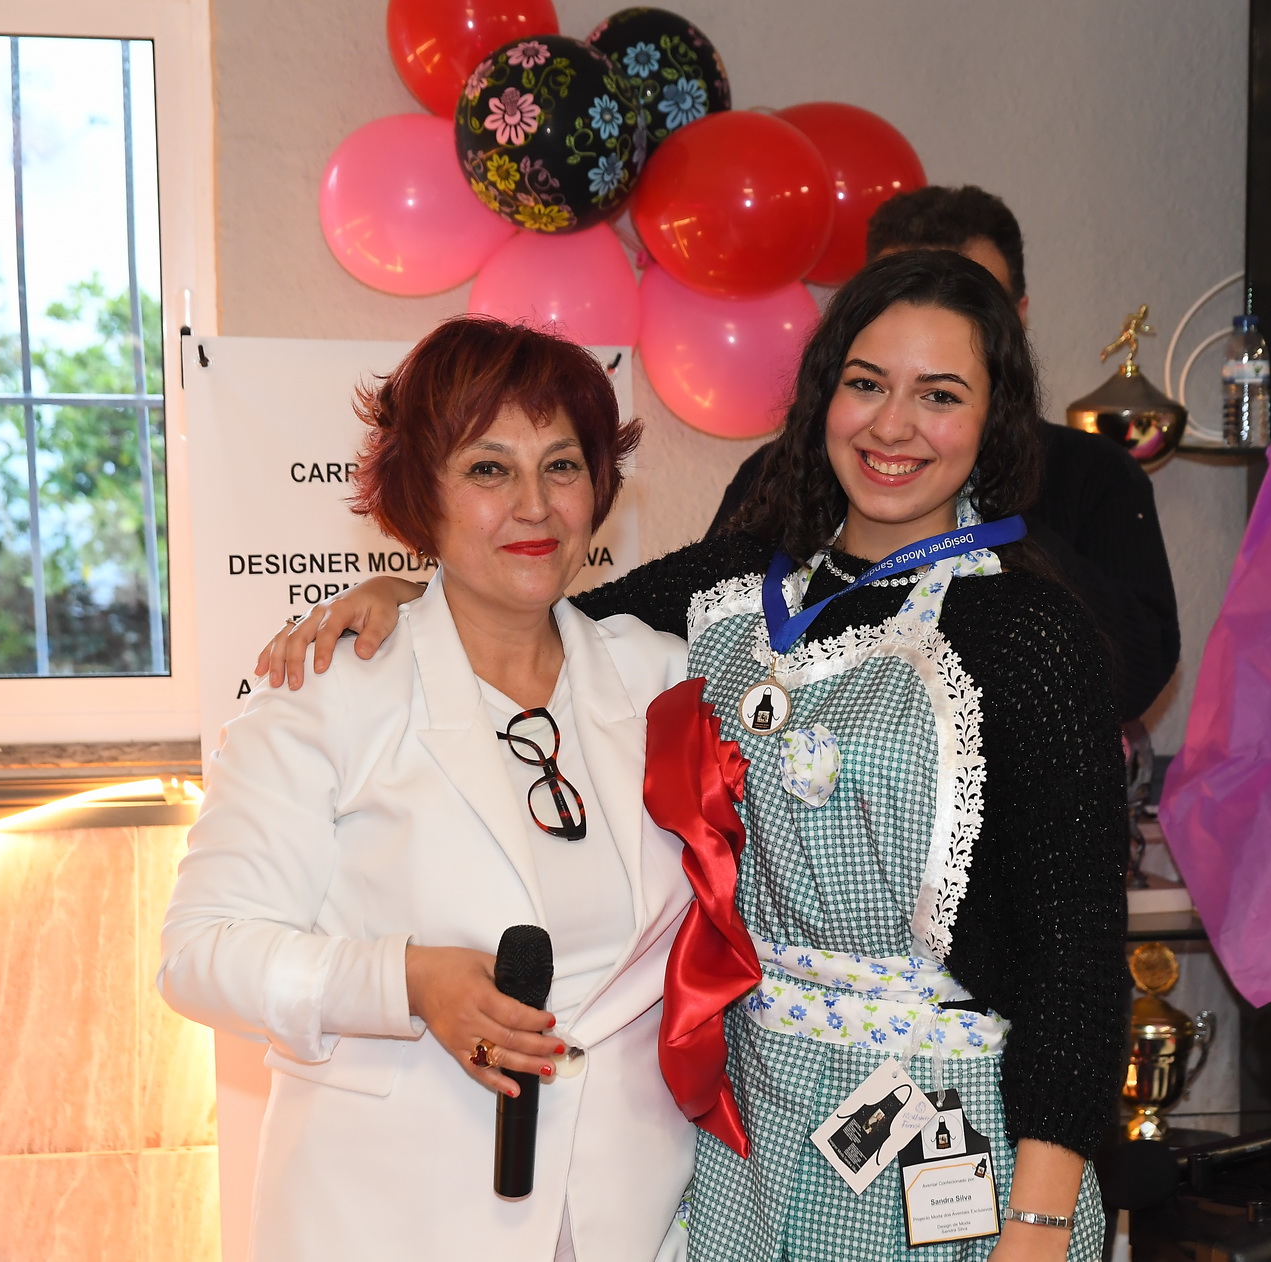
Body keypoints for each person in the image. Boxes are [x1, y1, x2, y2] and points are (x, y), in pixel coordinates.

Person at [258, 250, 1130, 1262]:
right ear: (823, 397)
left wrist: (1037, 1222)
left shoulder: (1030, 634)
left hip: (946, 1132)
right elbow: (536, 612)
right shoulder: (732, 583)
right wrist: (402, 595)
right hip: (745, 1126)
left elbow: (1078, 953)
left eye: (940, 395)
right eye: (866, 383)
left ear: (993, 421)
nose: (893, 426)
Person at [159, 318, 696, 1262]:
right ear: (421, 492)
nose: (533, 505)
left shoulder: (661, 678)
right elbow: (199, 956)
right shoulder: (329, 692)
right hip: (387, 1216)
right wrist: (403, 979)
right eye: (488, 469)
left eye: (562, 467)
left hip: (630, 1217)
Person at [707, 184, 1179, 721]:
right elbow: (695, 647)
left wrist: (992, 512)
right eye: (898, 295)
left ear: (1015, 321)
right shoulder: (776, 474)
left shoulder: (1094, 473)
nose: (892, 428)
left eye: (970, 299)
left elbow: (1140, 673)